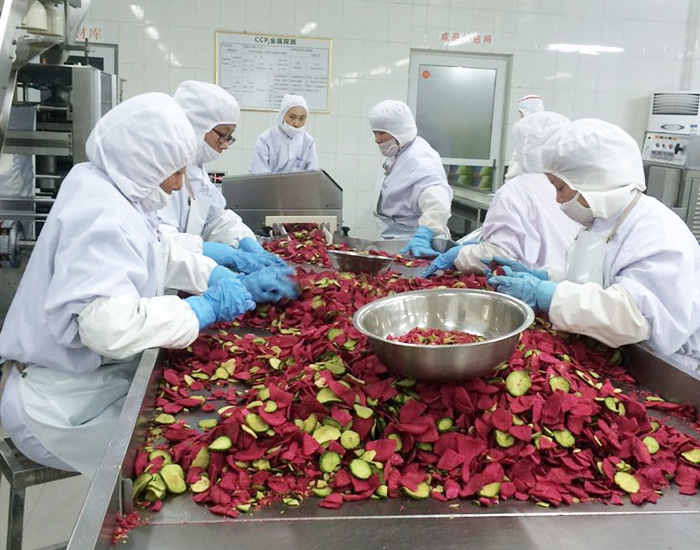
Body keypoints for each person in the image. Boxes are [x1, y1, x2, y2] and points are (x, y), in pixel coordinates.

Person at [0, 93, 259, 477]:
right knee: (187, 461)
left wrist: (210, 272)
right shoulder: (102, 213)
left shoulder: (108, 186)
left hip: (84, 379)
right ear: (143, 160)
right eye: (172, 171)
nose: (177, 184)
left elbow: (149, 251)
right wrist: (199, 309)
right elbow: (107, 325)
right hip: (57, 405)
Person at [488, 119, 700, 376]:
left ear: (590, 182)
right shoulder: (601, 220)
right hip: (619, 354)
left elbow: (633, 317)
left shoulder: (657, 231)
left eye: (561, 187)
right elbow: (594, 282)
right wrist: (546, 276)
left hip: (667, 370)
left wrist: (547, 294)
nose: (557, 199)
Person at [422, 112, 581, 278]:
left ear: (522, 148)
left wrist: (460, 255)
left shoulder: (516, 189)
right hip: (571, 287)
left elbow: (498, 255)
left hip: (528, 287)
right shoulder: (575, 187)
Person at [160, 80, 285, 275]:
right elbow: (158, 245)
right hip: (159, 286)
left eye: (230, 137)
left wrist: (244, 240)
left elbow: (215, 218)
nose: (225, 145)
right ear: (196, 126)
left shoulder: (196, 169)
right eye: (223, 135)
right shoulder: (159, 171)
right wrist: (211, 257)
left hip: (178, 280)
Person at [368, 99, 453, 257]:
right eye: (374, 133)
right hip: (397, 243)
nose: (377, 139)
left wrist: (424, 235)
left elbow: (438, 204)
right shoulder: (399, 153)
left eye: (382, 133)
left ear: (398, 131)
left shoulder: (419, 159)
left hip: (418, 245)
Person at [249, 94, 319, 174]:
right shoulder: (266, 140)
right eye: (292, 117)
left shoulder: (308, 141)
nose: (296, 124)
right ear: (282, 115)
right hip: (269, 186)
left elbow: (312, 175)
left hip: (299, 186)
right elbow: (259, 174)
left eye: (302, 118)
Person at [505, 94, 546, 181]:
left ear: (523, 112)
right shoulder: (547, 129)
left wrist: (509, 182)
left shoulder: (526, 132)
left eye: (520, 113)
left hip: (523, 182)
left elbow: (519, 166)